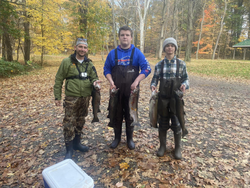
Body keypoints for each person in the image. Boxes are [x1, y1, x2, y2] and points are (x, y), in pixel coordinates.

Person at [103, 26, 151, 150]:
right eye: (122, 35)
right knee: (116, 114)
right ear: (119, 37)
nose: (125, 37)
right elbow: (106, 70)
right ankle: (117, 138)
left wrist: (136, 81)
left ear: (131, 37)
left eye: (127, 35)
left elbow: (147, 68)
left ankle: (130, 139)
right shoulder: (112, 53)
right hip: (116, 91)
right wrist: (111, 81)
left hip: (132, 92)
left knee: (130, 114)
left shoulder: (137, 53)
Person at [54, 38, 101, 159]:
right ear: (75, 47)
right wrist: (57, 96)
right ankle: (69, 149)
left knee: (81, 120)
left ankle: (77, 144)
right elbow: (59, 79)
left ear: (87, 49)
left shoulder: (89, 64)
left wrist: (96, 83)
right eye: (80, 47)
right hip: (71, 98)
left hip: (85, 98)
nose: (82, 49)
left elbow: (94, 78)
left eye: (85, 47)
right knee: (69, 122)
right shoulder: (66, 62)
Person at [150, 37, 189, 160]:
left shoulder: (181, 64)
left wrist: (185, 85)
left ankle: (177, 147)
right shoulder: (159, 65)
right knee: (162, 123)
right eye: (167, 46)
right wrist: (153, 86)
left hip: (176, 100)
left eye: (172, 45)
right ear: (164, 49)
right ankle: (162, 146)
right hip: (162, 99)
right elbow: (154, 79)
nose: (170, 48)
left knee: (177, 123)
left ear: (175, 48)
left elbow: (186, 79)